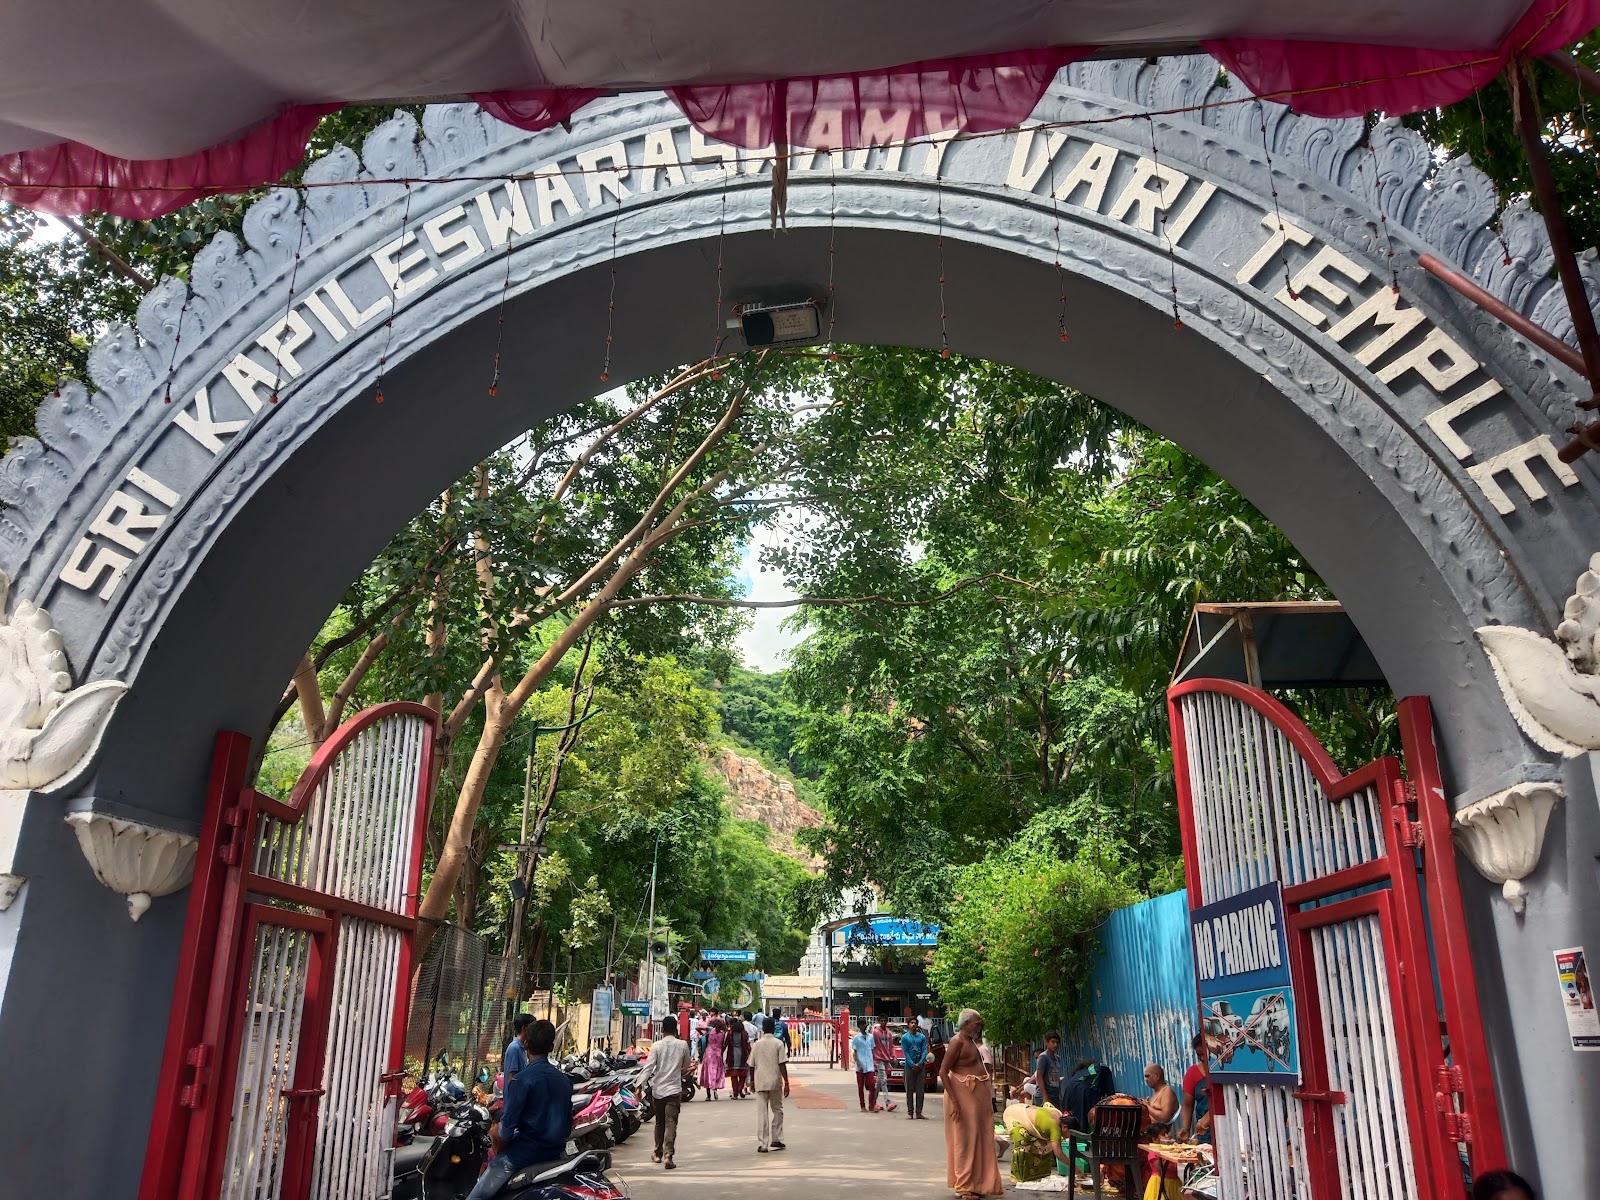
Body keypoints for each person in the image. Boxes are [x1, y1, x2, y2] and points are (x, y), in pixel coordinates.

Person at [466, 1019, 572, 1200]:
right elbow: (567, 1126)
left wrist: (495, 1132)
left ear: (526, 1044)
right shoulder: (564, 1081)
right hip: (557, 1153)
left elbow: (506, 1131)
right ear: (551, 1047)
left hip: (525, 1155)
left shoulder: (522, 1080)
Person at [939, 1008, 1005, 1199]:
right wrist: (955, 1101)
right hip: (962, 1097)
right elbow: (943, 1071)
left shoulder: (971, 1042)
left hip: (976, 1098)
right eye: (977, 1023)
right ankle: (963, 1187)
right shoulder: (957, 1041)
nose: (979, 1026)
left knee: (980, 1140)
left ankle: (977, 1183)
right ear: (967, 1024)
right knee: (965, 1141)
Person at [649, 1013, 692, 1169]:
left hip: (658, 1090)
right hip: (673, 1090)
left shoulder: (656, 1046)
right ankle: (668, 1156)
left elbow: (648, 1067)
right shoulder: (683, 1045)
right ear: (676, 1029)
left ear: (662, 1030)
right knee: (671, 1123)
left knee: (659, 1122)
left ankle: (657, 1153)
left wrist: (639, 1086)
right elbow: (686, 1066)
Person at [1003, 1087, 1070, 1183]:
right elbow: (1058, 1153)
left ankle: (1039, 1173)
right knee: (1023, 1141)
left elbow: (1047, 1105)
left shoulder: (1058, 1114)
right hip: (1013, 1115)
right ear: (1065, 1127)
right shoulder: (1055, 1127)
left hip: (1023, 1110)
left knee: (1046, 1144)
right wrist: (1075, 1169)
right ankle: (1017, 1176)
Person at [750, 1015, 792, 1153]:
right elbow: (782, 1064)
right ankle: (776, 1138)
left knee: (762, 1113)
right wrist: (786, 1082)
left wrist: (751, 1081)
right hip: (775, 1081)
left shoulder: (757, 1044)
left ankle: (763, 1144)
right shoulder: (778, 1044)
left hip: (760, 1080)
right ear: (774, 1028)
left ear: (763, 1028)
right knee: (777, 1110)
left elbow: (751, 1065)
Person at [1176, 1035, 1211, 1144]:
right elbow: (1187, 1104)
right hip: (1204, 1133)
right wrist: (1185, 1128)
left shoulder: (1225, 1073)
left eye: (1205, 1054)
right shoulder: (1193, 1073)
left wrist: (1209, 1116)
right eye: (1199, 1055)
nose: (1202, 1058)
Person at [900, 1018, 930, 1120]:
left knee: (920, 1090)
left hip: (920, 1066)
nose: (913, 1024)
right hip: (909, 1066)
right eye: (911, 1023)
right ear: (908, 1025)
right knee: (909, 1090)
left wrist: (920, 1063)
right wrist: (913, 1065)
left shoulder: (921, 1037)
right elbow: (905, 1053)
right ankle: (910, 1112)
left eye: (915, 1023)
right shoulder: (905, 1037)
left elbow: (924, 1050)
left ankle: (919, 1112)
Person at [1142, 1063, 1179, 1134]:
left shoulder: (1167, 1091)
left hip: (1157, 1133)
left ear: (1157, 1076)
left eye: (1148, 1076)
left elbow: (1164, 1117)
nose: (1146, 1080)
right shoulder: (1157, 1091)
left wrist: (1147, 1106)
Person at [1033, 1032, 1065, 1111]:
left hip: (1055, 1095)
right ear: (1046, 1042)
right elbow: (1039, 1077)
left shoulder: (1057, 1058)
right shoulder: (1043, 1058)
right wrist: (1045, 1096)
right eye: (1053, 1042)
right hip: (1043, 1096)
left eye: (1057, 1042)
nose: (1055, 1045)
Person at [872, 1014, 898, 1113]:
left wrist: (893, 1057)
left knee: (879, 1082)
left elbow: (891, 1046)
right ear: (879, 1021)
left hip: (886, 1059)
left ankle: (872, 1102)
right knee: (883, 1080)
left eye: (885, 1020)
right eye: (881, 1020)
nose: (883, 1022)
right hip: (879, 1059)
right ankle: (888, 1103)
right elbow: (872, 1046)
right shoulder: (875, 1032)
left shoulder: (889, 1033)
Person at [851, 1020, 878, 1111]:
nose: (864, 1026)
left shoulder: (870, 1037)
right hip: (860, 1066)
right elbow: (855, 1052)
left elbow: (872, 1050)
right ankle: (862, 1105)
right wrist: (858, 1063)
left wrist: (874, 1062)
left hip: (869, 1065)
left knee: (872, 1084)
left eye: (865, 1024)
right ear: (859, 1026)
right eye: (862, 1025)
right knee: (861, 1086)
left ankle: (871, 1105)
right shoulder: (856, 1038)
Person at [502, 1012, 533, 1090]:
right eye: (532, 1028)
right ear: (524, 1028)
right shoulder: (514, 1048)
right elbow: (511, 1078)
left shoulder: (521, 1048)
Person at [725, 1008, 752, 1099]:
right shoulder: (744, 1033)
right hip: (743, 1055)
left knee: (734, 1075)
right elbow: (748, 1046)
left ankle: (735, 1093)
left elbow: (725, 1045)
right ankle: (740, 1088)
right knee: (742, 1074)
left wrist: (721, 1053)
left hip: (732, 1055)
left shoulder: (730, 1033)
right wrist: (751, 1054)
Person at [701, 1016, 728, 1099]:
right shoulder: (722, 1033)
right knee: (715, 1072)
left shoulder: (710, 1031)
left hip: (709, 1053)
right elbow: (723, 1044)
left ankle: (708, 1095)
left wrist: (704, 1031)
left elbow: (698, 1028)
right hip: (718, 1053)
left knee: (708, 1072)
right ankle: (715, 1089)